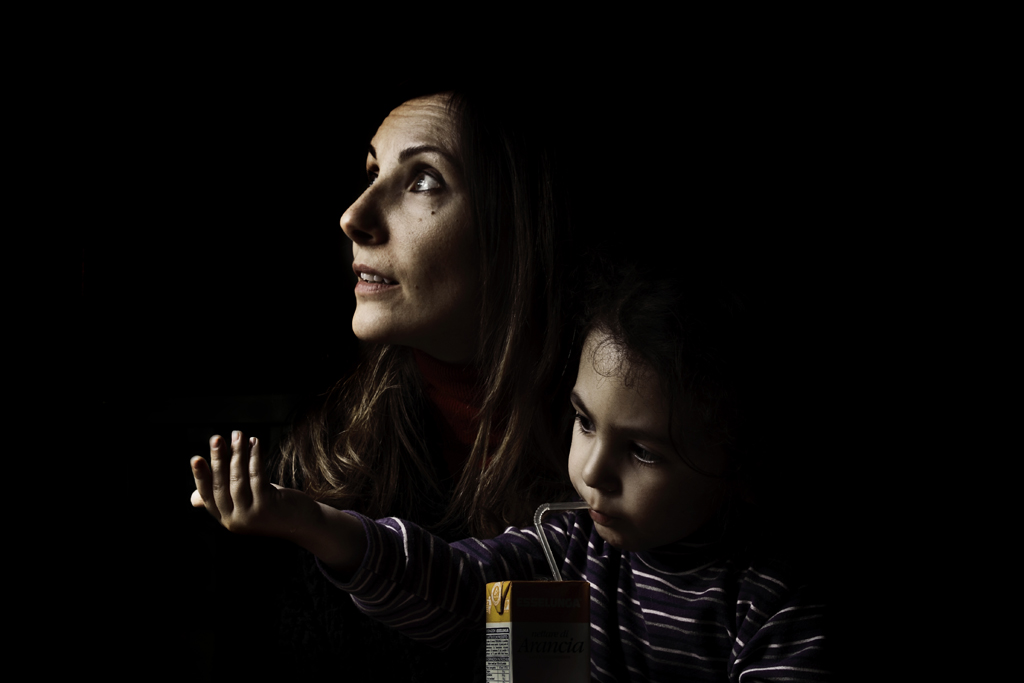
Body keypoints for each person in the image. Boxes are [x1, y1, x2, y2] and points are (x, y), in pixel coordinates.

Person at [191, 254, 829, 681]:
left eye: (642, 452)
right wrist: (316, 524)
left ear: (742, 466)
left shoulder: (773, 602)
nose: (592, 472)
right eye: (584, 422)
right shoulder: (562, 549)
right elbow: (450, 583)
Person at [191, 81, 580, 680]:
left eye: (424, 179)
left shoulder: (625, 459)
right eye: (372, 172)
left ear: (519, 226)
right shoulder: (322, 470)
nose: (353, 217)